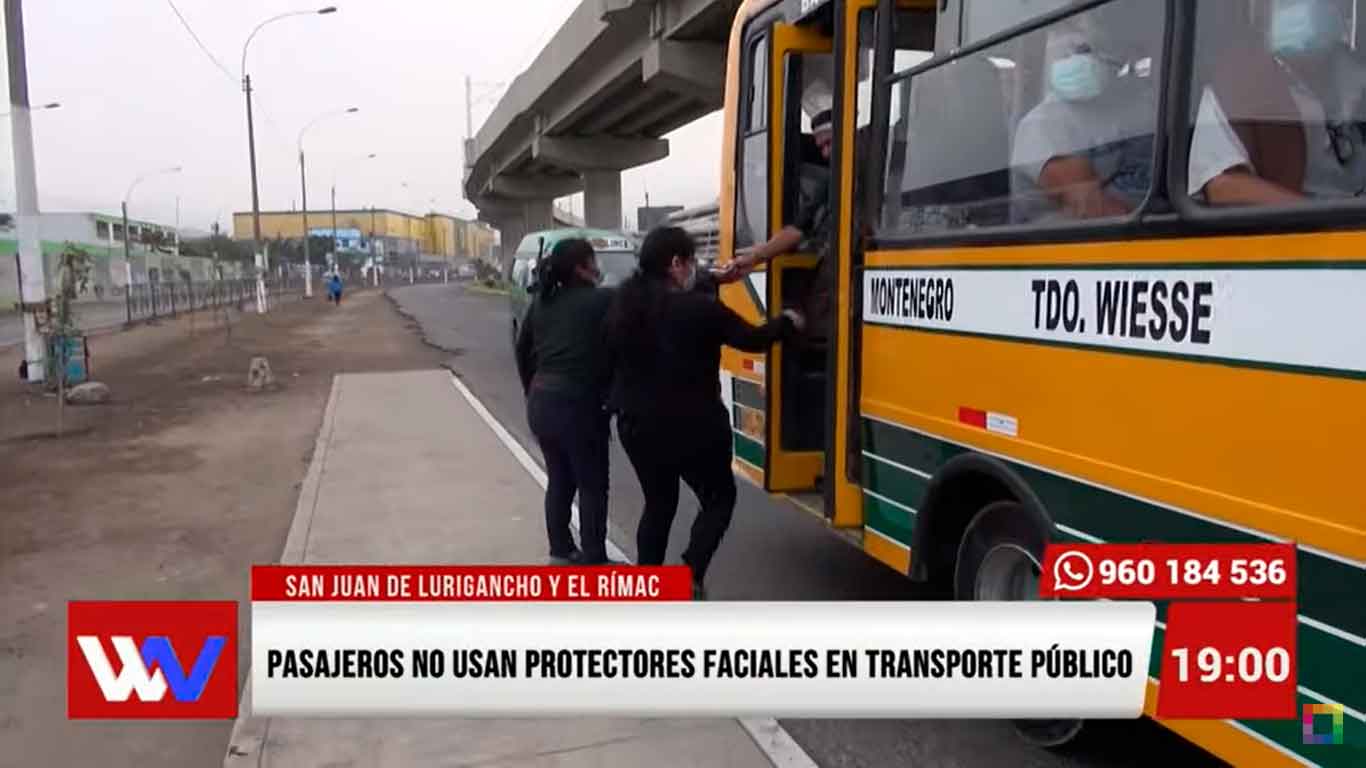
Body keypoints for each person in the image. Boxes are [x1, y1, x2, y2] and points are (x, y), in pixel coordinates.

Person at [607, 226, 803, 599]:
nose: (696, 269)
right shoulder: (698, 310)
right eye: (692, 262)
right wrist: (789, 322)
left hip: (637, 426)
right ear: (677, 264)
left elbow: (669, 302)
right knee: (718, 498)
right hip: (693, 427)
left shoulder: (624, 304)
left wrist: (716, 278)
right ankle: (690, 573)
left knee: (659, 502)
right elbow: (754, 338)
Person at [1190, 0, 1366, 205]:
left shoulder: (1350, 72)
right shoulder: (1235, 82)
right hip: (1315, 226)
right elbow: (1224, 186)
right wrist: (1319, 216)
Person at [514, 238, 616, 565]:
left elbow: (522, 350)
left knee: (560, 479)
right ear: (581, 268)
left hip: (542, 402)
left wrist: (531, 389)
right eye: (594, 261)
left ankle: (560, 550)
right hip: (578, 405)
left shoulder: (541, 302)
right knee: (592, 484)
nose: (599, 268)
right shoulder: (601, 299)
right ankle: (594, 558)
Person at [1009, 8, 1162, 221]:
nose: (1080, 57)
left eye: (1088, 48)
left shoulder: (1140, 108)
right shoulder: (1041, 127)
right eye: (1078, 50)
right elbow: (1095, 209)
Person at [722, 105, 836, 342]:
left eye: (829, 144)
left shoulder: (875, 155)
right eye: (821, 148)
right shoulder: (831, 182)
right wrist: (755, 257)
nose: (825, 154)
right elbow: (799, 228)